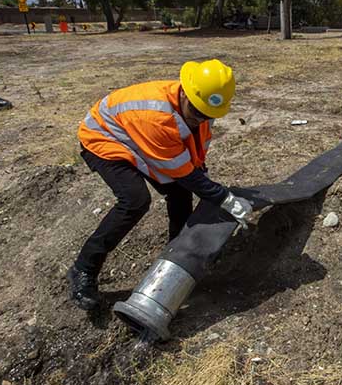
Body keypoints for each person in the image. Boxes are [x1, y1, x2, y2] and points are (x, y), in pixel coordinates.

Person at [67, 59, 252, 310]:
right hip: (105, 136)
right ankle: (83, 269)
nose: (201, 120)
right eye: (197, 113)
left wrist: (203, 180)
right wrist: (224, 198)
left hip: (141, 138)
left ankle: (177, 258)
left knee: (180, 192)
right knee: (134, 201)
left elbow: (192, 164)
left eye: (208, 115)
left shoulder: (203, 108)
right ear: (184, 94)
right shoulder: (157, 116)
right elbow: (183, 173)